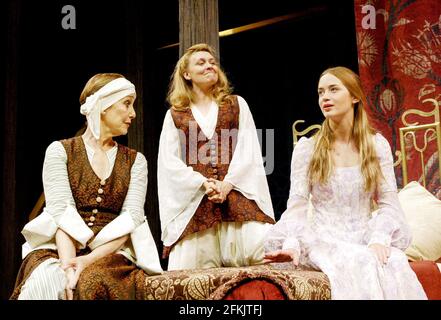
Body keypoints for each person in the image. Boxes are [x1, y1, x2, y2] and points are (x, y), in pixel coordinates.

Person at [263, 66, 427, 299]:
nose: (325, 98)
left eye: (333, 90)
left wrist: (379, 238)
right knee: (359, 259)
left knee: (396, 260)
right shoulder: (307, 149)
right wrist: (292, 244)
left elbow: (389, 204)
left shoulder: (376, 145)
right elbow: (296, 209)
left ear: (355, 96)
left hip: (364, 236)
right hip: (323, 240)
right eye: (321, 92)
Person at [10, 73, 162, 300]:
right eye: (127, 104)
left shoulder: (135, 161)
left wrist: (86, 260)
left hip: (111, 252)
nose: (133, 114)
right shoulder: (60, 151)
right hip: (60, 247)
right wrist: (68, 267)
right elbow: (62, 213)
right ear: (103, 105)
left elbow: (131, 218)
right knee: (49, 280)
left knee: (91, 282)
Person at [158, 43, 275, 270]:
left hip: (237, 194)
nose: (209, 66)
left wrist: (227, 184)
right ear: (187, 74)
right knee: (189, 272)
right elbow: (169, 162)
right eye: (200, 63)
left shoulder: (235, 104)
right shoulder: (175, 114)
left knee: (265, 253)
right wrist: (203, 183)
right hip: (198, 202)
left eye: (212, 62)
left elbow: (248, 147)